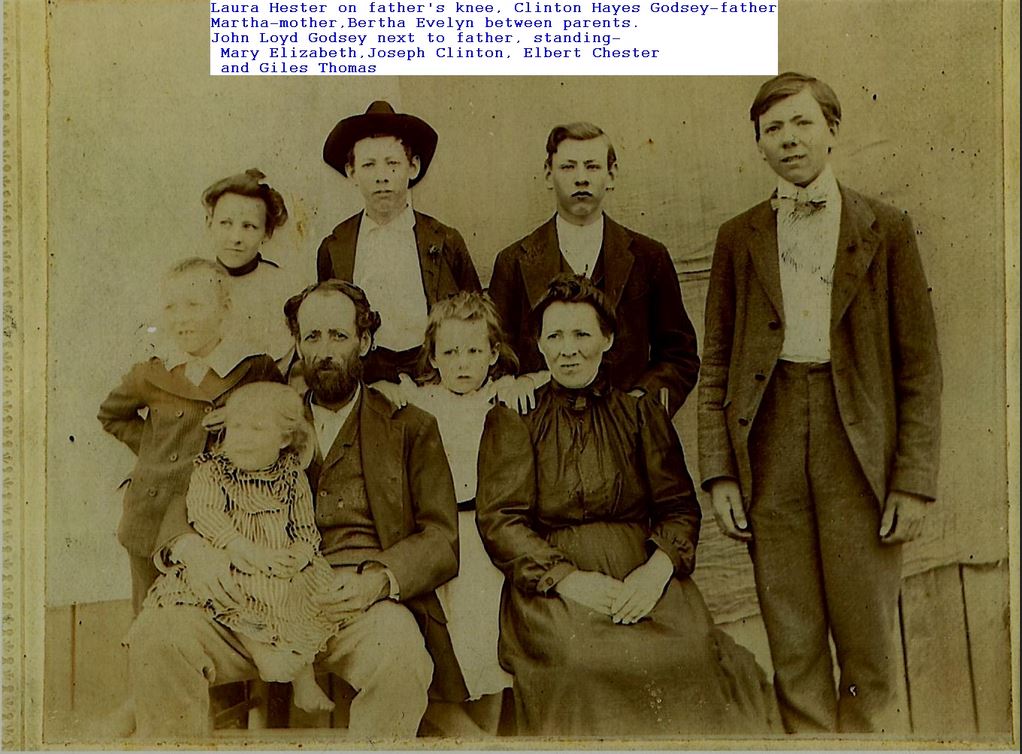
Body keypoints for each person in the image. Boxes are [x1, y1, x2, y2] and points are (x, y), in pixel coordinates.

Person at [698, 72, 942, 734]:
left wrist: (913, 481)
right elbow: (716, 363)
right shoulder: (738, 236)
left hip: (857, 443)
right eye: (773, 128)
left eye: (803, 123)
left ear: (832, 130)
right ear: (758, 144)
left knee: (867, 638)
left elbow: (920, 366)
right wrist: (720, 473)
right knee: (792, 633)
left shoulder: (886, 228)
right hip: (769, 438)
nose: (789, 139)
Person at [127, 280, 463, 740]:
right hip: (249, 605)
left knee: (401, 653)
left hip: (351, 604)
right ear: (298, 344)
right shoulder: (261, 414)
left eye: (338, 336)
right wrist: (191, 548)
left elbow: (440, 538)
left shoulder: (410, 426)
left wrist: (379, 580)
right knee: (158, 635)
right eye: (312, 337)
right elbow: (194, 489)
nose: (324, 351)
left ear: (365, 341)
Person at [476, 274, 775, 737]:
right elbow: (501, 521)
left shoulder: (639, 413)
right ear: (539, 343)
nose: (568, 350)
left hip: (641, 565)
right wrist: (569, 580)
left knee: (690, 652)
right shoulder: (516, 417)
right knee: (584, 661)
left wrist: (655, 574)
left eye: (582, 334)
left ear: (608, 339)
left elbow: (679, 508)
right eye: (555, 336)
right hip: (552, 581)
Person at [98, 258, 283, 614]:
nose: (181, 318)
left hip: (220, 518)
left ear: (224, 310)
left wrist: (241, 413)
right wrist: (153, 449)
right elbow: (112, 414)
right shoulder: (152, 371)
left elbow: (282, 415)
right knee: (149, 618)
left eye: (194, 305)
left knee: (217, 615)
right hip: (151, 515)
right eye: (171, 307)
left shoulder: (253, 367)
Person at [143, 382, 340, 715]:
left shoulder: (292, 476)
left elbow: (304, 526)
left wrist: (300, 555)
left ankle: (303, 682)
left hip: (277, 564)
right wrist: (241, 548)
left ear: (283, 439)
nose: (243, 438)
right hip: (233, 560)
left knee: (303, 593)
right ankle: (261, 652)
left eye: (257, 429)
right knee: (238, 592)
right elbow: (205, 513)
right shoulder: (212, 471)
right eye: (236, 427)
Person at [488, 122, 699, 416]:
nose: (581, 179)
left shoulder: (649, 257)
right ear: (548, 174)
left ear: (611, 175)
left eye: (592, 166)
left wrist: (640, 403)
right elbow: (495, 356)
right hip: (542, 427)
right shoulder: (513, 261)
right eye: (568, 167)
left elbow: (680, 355)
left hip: (627, 427)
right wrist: (515, 384)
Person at [384, 292, 519, 736]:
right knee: (445, 649)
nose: (463, 364)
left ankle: (486, 735)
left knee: (489, 649)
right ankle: (473, 741)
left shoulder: (502, 399)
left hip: (485, 537)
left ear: (493, 354)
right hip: (437, 537)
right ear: (433, 357)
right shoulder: (419, 402)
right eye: (451, 352)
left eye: (474, 351)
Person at [316, 101, 481, 383]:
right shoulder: (336, 246)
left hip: (434, 376)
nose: (381, 177)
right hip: (365, 379)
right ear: (351, 172)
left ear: (413, 167)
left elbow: (475, 318)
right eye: (368, 165)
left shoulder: (444, 240)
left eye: (392, 163)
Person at [201, 168, 301, 363]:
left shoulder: (286, 288)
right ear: (209, 223)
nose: (236, 238)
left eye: (249, 226)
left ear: (267, 233)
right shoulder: (191, 282)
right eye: (225, 223)